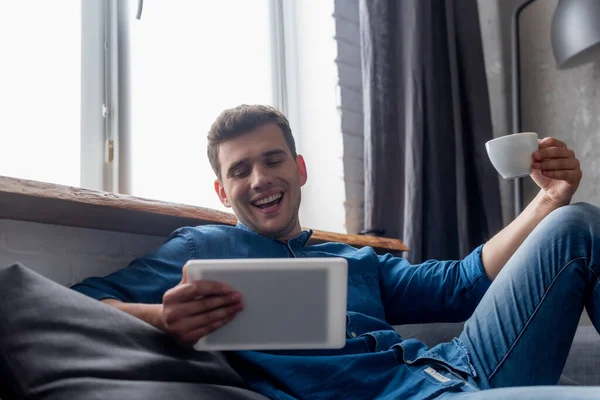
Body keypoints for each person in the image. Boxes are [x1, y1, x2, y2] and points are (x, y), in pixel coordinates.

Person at [71, 104, 600, 399]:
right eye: (239, 170)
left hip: (459, 365)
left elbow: (462, 283)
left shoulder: (355, 260)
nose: (260, 180)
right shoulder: (202, 247)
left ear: (299, 170)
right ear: (221, 192)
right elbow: (74, 307)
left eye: (273, 160)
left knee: (576, 221)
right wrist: (161, 316)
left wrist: (547, 201)